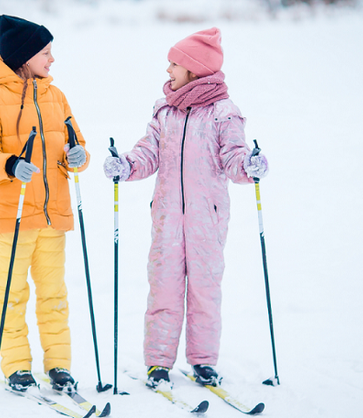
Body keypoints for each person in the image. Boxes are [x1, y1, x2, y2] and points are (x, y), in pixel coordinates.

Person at [103, 27, 269, 389]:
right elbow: (148, 152)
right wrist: (127, 165)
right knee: (163, 289)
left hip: (205, 222)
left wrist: (249, 166)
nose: (168, 71)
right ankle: (158, 362)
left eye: (174, 64)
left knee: (204, 292)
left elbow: (233, 158)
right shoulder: (164, 111)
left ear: (194, 69)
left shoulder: (224, 113)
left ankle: (204, 361)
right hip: (166, 221)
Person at [0, 14, 90, 393]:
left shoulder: (56, 96)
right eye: (45, 53)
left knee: (54, 295)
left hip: (53, 218)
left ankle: (58, 365)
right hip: (13, 218)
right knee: (11, 294)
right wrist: (8, 164)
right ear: (24, 57)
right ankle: (17, 366)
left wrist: (78, 156)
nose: (52, 60)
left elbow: (78, 143)